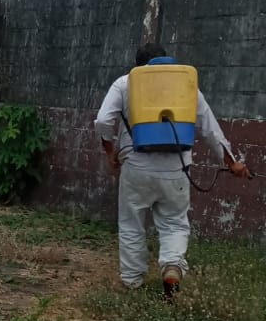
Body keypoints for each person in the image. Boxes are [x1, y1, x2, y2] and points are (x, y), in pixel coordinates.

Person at [94, 43, 251, 296]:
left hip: (136, 167)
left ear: (138, 66)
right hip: (176, 169)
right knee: (174, 224)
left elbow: (103, 120)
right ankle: (172, 266)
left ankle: (132, 281)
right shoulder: (186, 84)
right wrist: (232, 162)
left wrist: (109, 149)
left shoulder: (125, 83)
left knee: (132, 223)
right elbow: (211, 129)